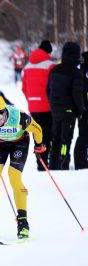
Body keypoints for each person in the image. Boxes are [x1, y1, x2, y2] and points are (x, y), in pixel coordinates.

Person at [0, 96, 45, 239]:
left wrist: (39, 145)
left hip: (19, 143)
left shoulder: (19, 118)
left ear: (5, 112)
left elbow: (37, 129)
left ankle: (23, 222)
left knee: (14, 176)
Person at [47, 41, 85, 170]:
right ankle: (63, 162)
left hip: (55, 109)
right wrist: (81, 109)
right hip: (69, 111)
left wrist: (53, 104)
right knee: (66, 139)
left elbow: (48, 90)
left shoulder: (54, 70)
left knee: (55, 137)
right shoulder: (76, 72)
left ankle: (52, 163)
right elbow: (77, 94)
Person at [22, 40, 56, 171]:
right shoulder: (51, 66)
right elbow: (54, 87)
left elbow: (24, 88)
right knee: (48, 135)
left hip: (33, 107)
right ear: (49, 51)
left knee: (37, 134)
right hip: (48, 107)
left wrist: (31, 100)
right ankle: (48, 161)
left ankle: (39, 162)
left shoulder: (27, 66)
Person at [74, 51, 88, 169]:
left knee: (83, 135)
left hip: (81, 108)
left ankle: (80, 161)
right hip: (84, 108)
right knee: (83, 135)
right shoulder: (82, 72)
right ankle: (80, 162)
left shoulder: (79, 71)